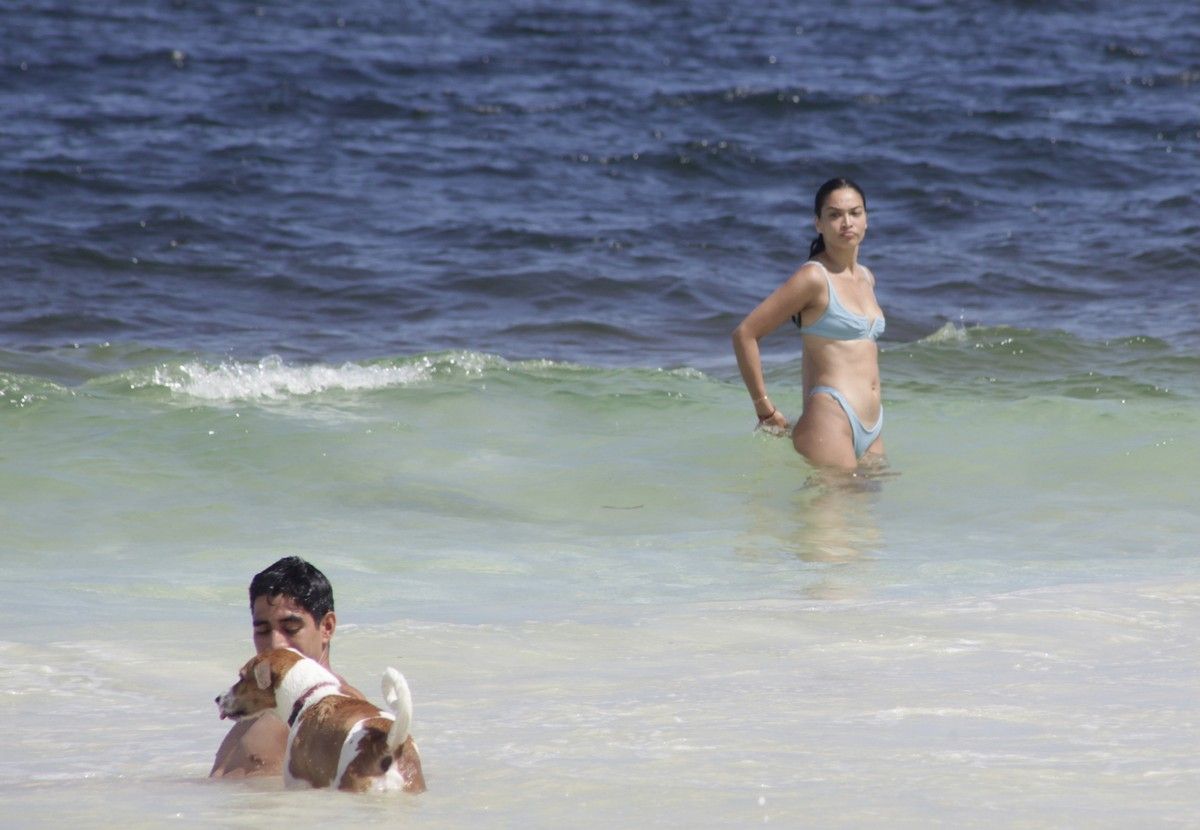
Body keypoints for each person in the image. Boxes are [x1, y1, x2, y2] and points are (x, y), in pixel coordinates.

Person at [210, 556, 425, 791]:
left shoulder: (336, 711)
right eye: (262, 630)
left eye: (291, 628)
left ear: (327, 627)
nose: (275, 643)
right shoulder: (266, 701)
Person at [732, 177, 886, 472]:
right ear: (818, 223)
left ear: (866, 220)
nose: (847, 222)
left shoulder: (867, 277)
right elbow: (745, 334)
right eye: (834, 215)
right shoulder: (814, 277)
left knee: (874, 502)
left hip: (871, 424)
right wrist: (764, 409)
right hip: (831, 419)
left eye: (855, 213)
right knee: (833, 502)